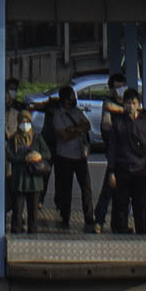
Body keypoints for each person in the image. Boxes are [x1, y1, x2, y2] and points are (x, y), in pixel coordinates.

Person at [101, 86, 146, 235]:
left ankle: (141, 233)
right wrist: (111, 171)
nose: (130, 106)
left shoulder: (145, 120)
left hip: (141, 170)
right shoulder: (118, 122)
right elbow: (112, 147)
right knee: (121, 206)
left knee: (140, 206)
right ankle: (122, 232)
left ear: (138, 104)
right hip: (122, 169)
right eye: (127, 103)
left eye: (133, 102)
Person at [44, 87, 94, 230]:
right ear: (65, 99)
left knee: (86, 187)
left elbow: (87, 125)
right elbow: (63, 136)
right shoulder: (58, 115)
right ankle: (65, 217)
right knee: (66, 189)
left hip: (80, 156)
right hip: (64, 156)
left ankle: (89, 216)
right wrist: (78, 130)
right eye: (71, 97)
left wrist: (73, 129)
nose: (73, 100)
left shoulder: (77, 112)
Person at [9, 100, 48, 230]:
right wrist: (24, 158)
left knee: (33, 212)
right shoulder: (13, 139)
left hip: (35, 180)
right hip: (19, 180)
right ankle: (16, 230)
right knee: (17, 211)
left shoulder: (37, 138)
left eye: (27, 122)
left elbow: (47, 153)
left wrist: (39, 156)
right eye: (22, 122)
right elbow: (10, 156)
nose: (25, 125)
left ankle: (33, 231)